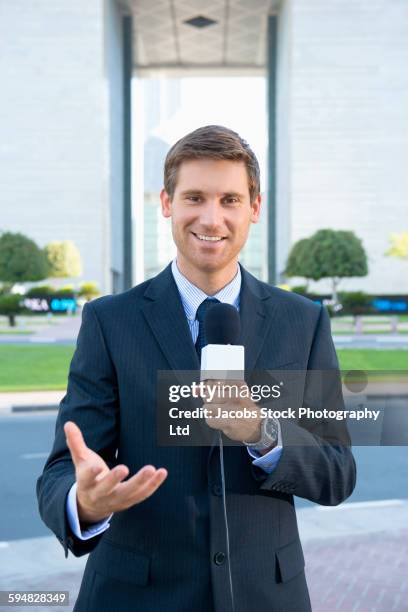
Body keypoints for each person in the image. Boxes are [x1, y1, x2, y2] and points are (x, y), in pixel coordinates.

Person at [37, 125, 356, 612]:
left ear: (254, 208)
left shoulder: (303, 322)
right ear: (166, 203)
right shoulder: (109, 321)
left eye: (230, 199)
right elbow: (63, 470)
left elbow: (336, 472)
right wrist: (84, 503)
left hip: (265, 596)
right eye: (194, 197)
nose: (212, 217)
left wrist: (263, 432)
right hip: (134, 596)